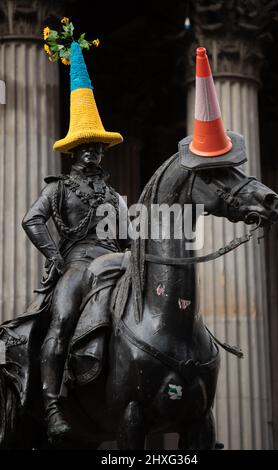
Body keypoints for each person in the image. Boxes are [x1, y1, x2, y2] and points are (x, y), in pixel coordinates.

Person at [22, 37, 128, 438]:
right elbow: (31, 220)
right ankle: (51, 406)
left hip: (115, 263)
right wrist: (56, 257)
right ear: (72, 153)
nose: (92, 155)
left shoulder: (115, 196)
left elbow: (128, 239)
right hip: (77, 264)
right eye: (84, 149)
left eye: (97, 149)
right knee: (63, 319)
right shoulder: (57, 190)